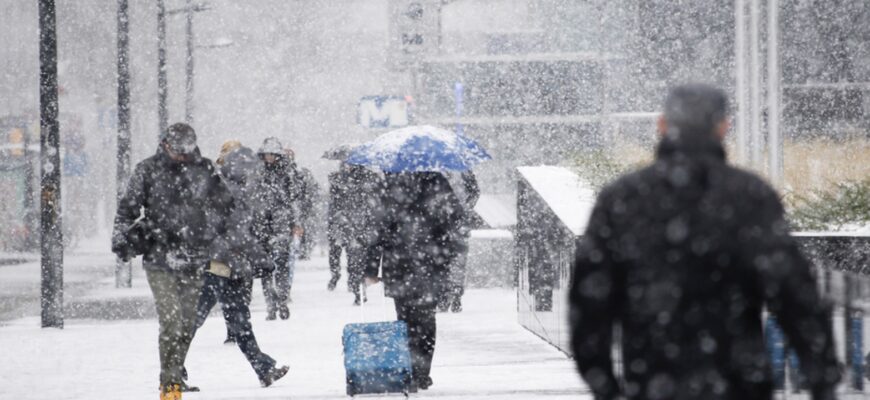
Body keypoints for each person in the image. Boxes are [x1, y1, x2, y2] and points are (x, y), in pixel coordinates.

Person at [569, 84, 840, 400]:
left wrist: (603, 384)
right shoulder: (750, 197)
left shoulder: (623, 200)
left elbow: (590, 303)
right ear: (723, 127)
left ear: (662, 125)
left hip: (653, 381)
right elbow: (794, 294)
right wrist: (821, 378)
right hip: (739, 382)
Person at [112, 123, 233, 399]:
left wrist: (216, 233)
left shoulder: (205, 170)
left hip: (193, 257)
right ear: (165, 144)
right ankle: (171, 384)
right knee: (171, 320)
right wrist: (122, 239)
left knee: (187, 323)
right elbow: (127, 209)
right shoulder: (148, 169)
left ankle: (172, 372)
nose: (181, 156)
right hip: (159, 257)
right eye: (176, 150)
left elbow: (225, 206)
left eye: (185, 150)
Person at [192, 143, 289, 387]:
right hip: (217, 267)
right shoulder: (225, 192)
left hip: (229, 267)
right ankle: (172, 367)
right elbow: (237, 236)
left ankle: (264, 369)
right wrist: (262, 260)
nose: (253, 174)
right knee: (194, 318)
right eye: (250, 169)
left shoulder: (231, 190)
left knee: (239, 321)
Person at [365, 172, 464, 391]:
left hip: (400, 264)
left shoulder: (389, 184)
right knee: (426, 321)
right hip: (431, 263)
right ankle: (421, 372)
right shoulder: (437, 181)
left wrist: (372, 267)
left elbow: (377, 229)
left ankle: (411, 370)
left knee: (406, 319)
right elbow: (456, 216)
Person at [252, 137, 302, 320]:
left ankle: (281, 298)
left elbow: (295, 200)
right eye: (266, 154)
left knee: (281, 264)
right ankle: (270, 305)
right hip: (262, 225)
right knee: (266, 267)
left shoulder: (288, 174)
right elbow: (253, 198)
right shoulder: (257, 173)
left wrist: (296, 222)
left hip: (281, 223)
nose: (269, 158)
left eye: (272, 154)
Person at [328, 162, 383, 305]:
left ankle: (359, 286)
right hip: (351, 225)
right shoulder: (340, 180)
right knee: (355, 260)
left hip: (367, 225)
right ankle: (358, 289)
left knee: (363, 259)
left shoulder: (371, 179)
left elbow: (377, 201)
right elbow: (336, 205)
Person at [437, 171, 480, 313]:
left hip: (447, 224)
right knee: (455, 262)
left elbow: (475, 192)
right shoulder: (463, 171)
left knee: (448, 261)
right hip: (453, 224)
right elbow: (475, 192)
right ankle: (452, 294)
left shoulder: (439, 171)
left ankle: (448, 295)